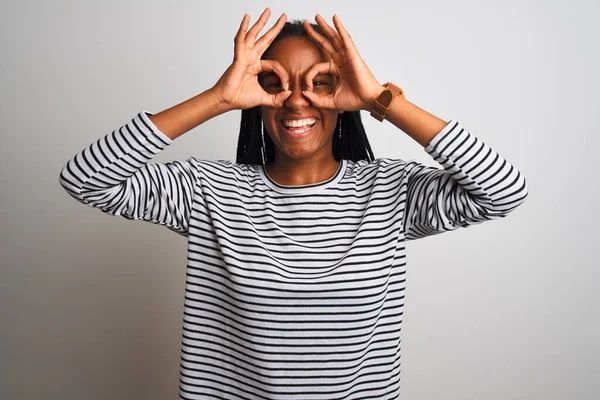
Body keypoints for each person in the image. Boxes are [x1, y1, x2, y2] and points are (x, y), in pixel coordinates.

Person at [59, 8, 528, 400]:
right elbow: (85, 178)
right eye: (273, 82)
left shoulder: (390, 190)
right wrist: (218, 98)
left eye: (320, 83)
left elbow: (505, 190)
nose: (297, 100)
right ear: (255, 96)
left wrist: (378, 98)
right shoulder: (206, 190)